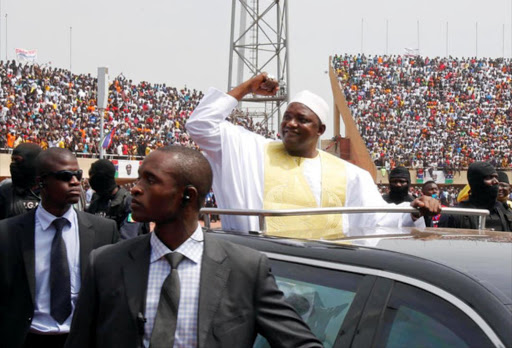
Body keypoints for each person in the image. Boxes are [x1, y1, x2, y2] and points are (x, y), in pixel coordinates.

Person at [65, 145, 322, 348]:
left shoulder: (246, 269)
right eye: (139, 178)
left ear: (187, 196)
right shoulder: (105, 263)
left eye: (150, 180)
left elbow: (299, 342)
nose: (135, 189)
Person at [187, 73, 439, 238]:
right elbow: (200, 124)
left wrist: (413, 211)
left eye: (302, 119)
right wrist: (247, 87)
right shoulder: (250, 149)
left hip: (321, 280)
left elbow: (377, 218)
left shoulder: (351, 175)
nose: (291, 124)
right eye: (287, 117)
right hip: (256, 267)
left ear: (320, 130)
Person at [0, 148, 119, 348]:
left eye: (78, 175)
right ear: (40, 183)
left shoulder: (104, 231)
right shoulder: (7, 233)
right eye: (65, 176)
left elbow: (112, 293)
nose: (75, 182)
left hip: (82, 339)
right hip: (27, 339)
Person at [439, 162, 512, 231]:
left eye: (496, 177)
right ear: (476, 182)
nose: (496, 181)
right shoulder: (454, 215)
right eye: (489, 177)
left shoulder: (505, 212)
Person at [0, 143, 42, 220]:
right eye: (12, 160)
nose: (13, 164)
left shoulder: (50, 192)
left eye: (17, 160)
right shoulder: (5, 191)